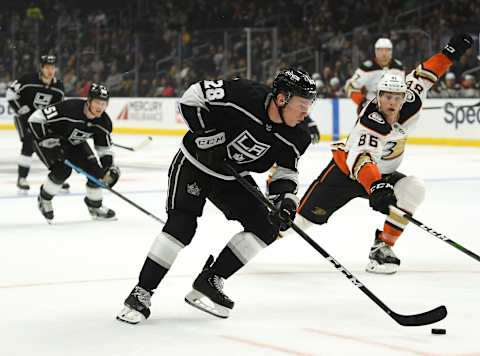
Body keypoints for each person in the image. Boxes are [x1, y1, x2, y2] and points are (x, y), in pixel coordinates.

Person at [117, 68, 317, 324]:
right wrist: (205, 136)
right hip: (195, 165)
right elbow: (192, 97)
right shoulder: (244, 94)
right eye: (302, 105)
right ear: (282, 98)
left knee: (266, 228)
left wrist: (285, 202)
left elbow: (286, 172)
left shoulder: (297, 135)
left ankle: (211, 279)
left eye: (309, 106)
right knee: (181, 227)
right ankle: (141, 292)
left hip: (231, 176)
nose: (305, 113)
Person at [295, 34, 473, 275]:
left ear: (404, 97)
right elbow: (362, 159)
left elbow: (427, 72)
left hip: (384, 175)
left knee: (414, 188)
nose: (391, 102)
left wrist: (449, 53)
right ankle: (263, 232)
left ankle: (383, 247)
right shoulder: (370, 122)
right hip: (348, 175)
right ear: (378, 97)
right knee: (298, 223)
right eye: (386, 97)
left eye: (397, 98)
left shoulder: (413, 97)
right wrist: (376, 186)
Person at [28, 83, 120, 223]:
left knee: (97, 173)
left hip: (73, 143)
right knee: (62, 171)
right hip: (47, 141)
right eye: (97, 102)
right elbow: (35, 118)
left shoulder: (104, 122)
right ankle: (44, 199)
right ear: (88, 100)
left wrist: (108, 167)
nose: (100, 107)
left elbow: (104, 149)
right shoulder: (69, 107)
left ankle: (95, 207)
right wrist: (45, 138)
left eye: (103, 103)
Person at [6, 55, 65, 193]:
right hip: (24, 118)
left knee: (52, 145)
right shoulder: (28, 79)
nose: (50, 71)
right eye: (47, 67)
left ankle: (56, 176)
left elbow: (59, 107)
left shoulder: (59, 87)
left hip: (41, 121)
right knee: (29, 142)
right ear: (42, 68)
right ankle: (22, 178)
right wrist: (20, 109)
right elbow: (10, 93)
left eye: (53, 67)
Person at [345, 38, 405, 114]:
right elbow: (350, 86)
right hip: (372, 106)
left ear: (391, 51)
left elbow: (403, 89)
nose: (384, 53)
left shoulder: (398, 67)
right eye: (381, 50)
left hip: (393, 109)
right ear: (376, 51)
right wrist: (361, 102)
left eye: (387, 50)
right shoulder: (367, 68)